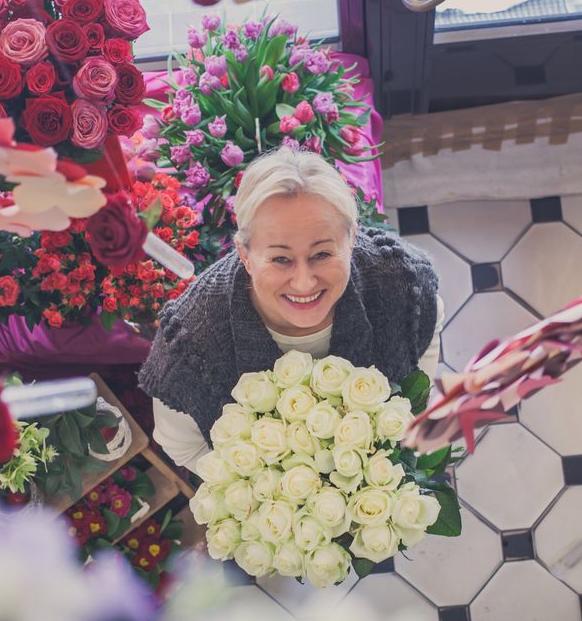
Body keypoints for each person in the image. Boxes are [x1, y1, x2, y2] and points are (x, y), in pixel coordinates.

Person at [139, 148, 444, 468]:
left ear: (351, 239)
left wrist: (414, 408)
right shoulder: (192, 339)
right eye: (281, 259)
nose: (303, 283)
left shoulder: (398, 281)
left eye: (322, 254)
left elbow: (429, 317)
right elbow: (182, 446)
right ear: (245, 253)